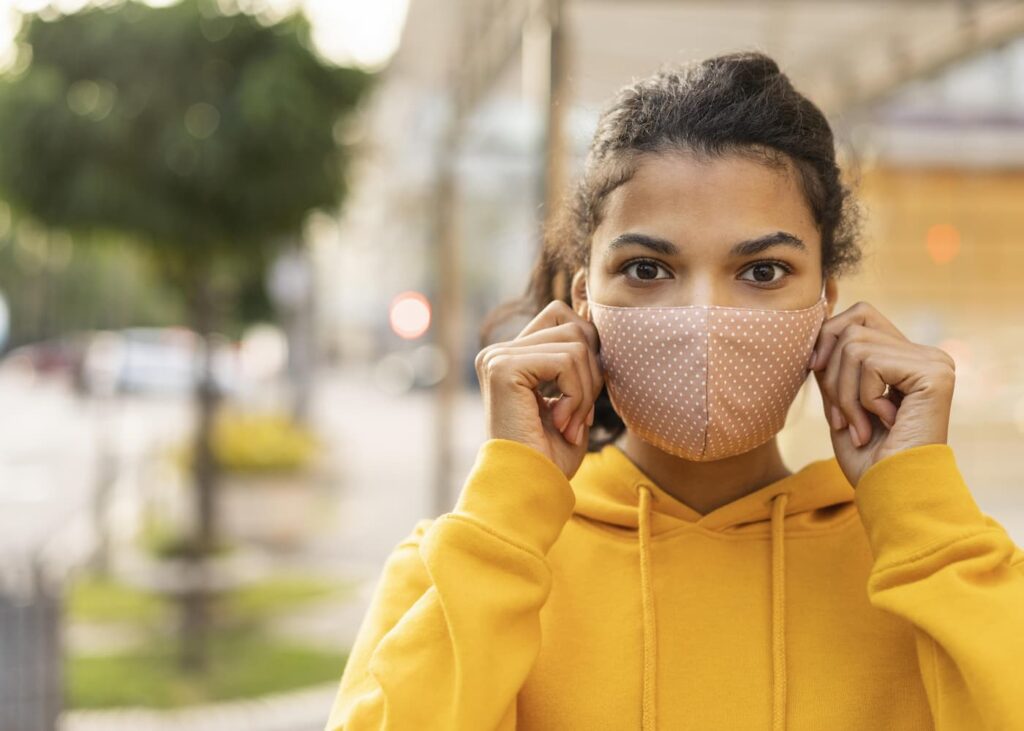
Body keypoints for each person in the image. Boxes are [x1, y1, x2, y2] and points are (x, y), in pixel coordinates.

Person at [325, 51, 1024, 730]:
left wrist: (921, 509)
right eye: (648, 268)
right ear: (582, 303)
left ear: (827, 305)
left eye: (762, 271)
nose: (702, 317)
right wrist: (511, 502)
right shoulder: (470, 564)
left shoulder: (928, 569)